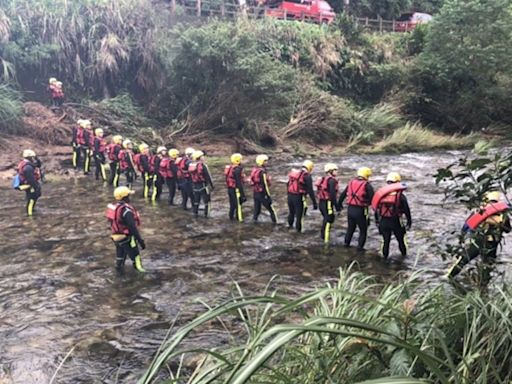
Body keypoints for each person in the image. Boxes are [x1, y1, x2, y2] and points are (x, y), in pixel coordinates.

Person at [447, 191, 511, 282]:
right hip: (491, 244)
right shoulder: (502, 215)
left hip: (479, 242)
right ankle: (482, 287)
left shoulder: (480, 212)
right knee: (486, 266)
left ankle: (450, 278)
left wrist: (462, 239)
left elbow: (466, 226)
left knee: (465, 260)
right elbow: (508, 230)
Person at [106, 186, 146, 273]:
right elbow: (133, 228)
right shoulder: (126, 211)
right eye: (128, 195)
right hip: (127, 238)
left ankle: (119, 276)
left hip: (116, 237)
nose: (130, 197)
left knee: (120, 257)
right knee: (136, 258)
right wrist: (140, 241)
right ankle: (142, 276)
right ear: (125, 197)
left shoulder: (115, 207)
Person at [374, 172, 411, 260]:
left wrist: (377, 222)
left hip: (383, 221)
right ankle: (404, 259)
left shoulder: (381, 195)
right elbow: (406, 210)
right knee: (401, 241)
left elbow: (376, 209)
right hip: (396, 221)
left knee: (385, 242)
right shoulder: (400, 196)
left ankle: (384, 260)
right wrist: (409, 221)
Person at [338, 167, 374, 250]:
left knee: (350, 229)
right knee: (363, 231)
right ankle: (359, 249)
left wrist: (339, 205)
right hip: (361, 211)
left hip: (350, 209)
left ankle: (346, 245)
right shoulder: (367, 185)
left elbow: (343, 195)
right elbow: (373, 200)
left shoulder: (351, 183)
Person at [287, 160, 317, 232]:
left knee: (291, 213)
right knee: (299, 216)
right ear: (310, 167)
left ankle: (289, 227)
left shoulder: (295, 174)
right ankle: (298, 232)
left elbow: (288, 184)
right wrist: (314, 203)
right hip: (298, 197)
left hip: (290, 196)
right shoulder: (307, 176)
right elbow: (310, 190)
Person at [316, 163, 340, 244]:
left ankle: (322, 236)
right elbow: (332, 195)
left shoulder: (324, 179)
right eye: (335, 170)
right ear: (330, 171)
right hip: (328, 203)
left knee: (327, 219)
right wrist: (337, 207)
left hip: (321, 203)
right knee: (328, 220)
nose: (337, 172)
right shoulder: (332, 181)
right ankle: (325, 242)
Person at [251, 154, 277, 223]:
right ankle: (275, 222)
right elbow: (265, 185)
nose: (267, 162)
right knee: (271, 210)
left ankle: (254, 221)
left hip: (255, 193)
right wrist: (268, 196)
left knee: (257, 210)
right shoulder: (262, 172)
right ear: (261, 162)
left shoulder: (255, 169)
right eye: (265, 161)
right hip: (262, 194)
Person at [188, 150, 214, 218]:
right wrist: (212, 186)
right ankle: (206, 215)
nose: (203, 157)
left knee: (196, 201)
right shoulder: (203, 166)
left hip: (195, 186)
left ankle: (195, 213)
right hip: (203, 186)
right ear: (199, 157)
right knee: (207, 202)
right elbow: (208, 176)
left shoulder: (191, 165)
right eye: (202, 156)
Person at [17, 149, 42, 216]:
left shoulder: (29, 164)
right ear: (30, 157)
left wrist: (37, 158)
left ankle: (32, 211)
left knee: (33, 198)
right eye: (33, 157)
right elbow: (31, 179)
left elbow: (38, 165)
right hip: (30, 186)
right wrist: (36, 187)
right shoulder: (28, 167)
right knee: (31, 199)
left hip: (31, 185)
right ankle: (30, 216)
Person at [225, 153, 246, 222]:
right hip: (236, 190)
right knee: (238, 206)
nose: (242, 160)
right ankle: (239, 222)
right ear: (238, 160)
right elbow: (239, 183)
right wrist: (242, 195)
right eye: (241, 159)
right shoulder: (237, 170)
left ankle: (230, 219)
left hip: (230, 189)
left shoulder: (230, 168)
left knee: (232, 205)